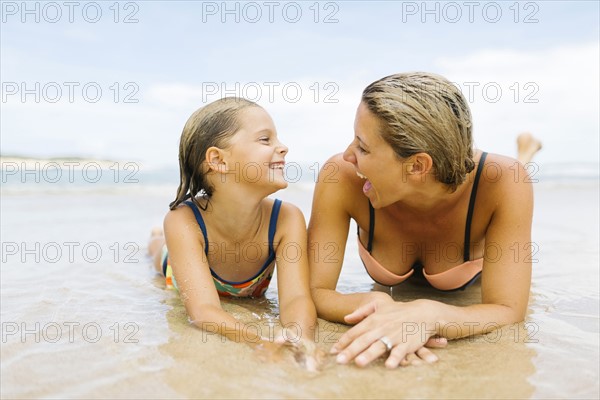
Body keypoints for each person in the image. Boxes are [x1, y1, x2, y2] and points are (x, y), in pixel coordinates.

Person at [307, 72, 540, 369]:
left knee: (519, 169)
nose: (348, 155)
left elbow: (508, 309)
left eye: (363, 147)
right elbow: (313, 291)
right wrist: (372, 304)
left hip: (490, 186)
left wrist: (431, 314)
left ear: (417, 165)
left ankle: (525, 153)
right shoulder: (340, 176)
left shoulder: (506, 183)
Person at [148, 97, 319, 369]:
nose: (283, 147)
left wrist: (301, 339)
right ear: (218, 160)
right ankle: (155, 238)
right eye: (265, 140)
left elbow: (296, 299)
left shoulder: (287, 219)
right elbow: (203, 311)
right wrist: (257, 340)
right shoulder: (183, 220)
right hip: (177, 262)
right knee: (159, 253)